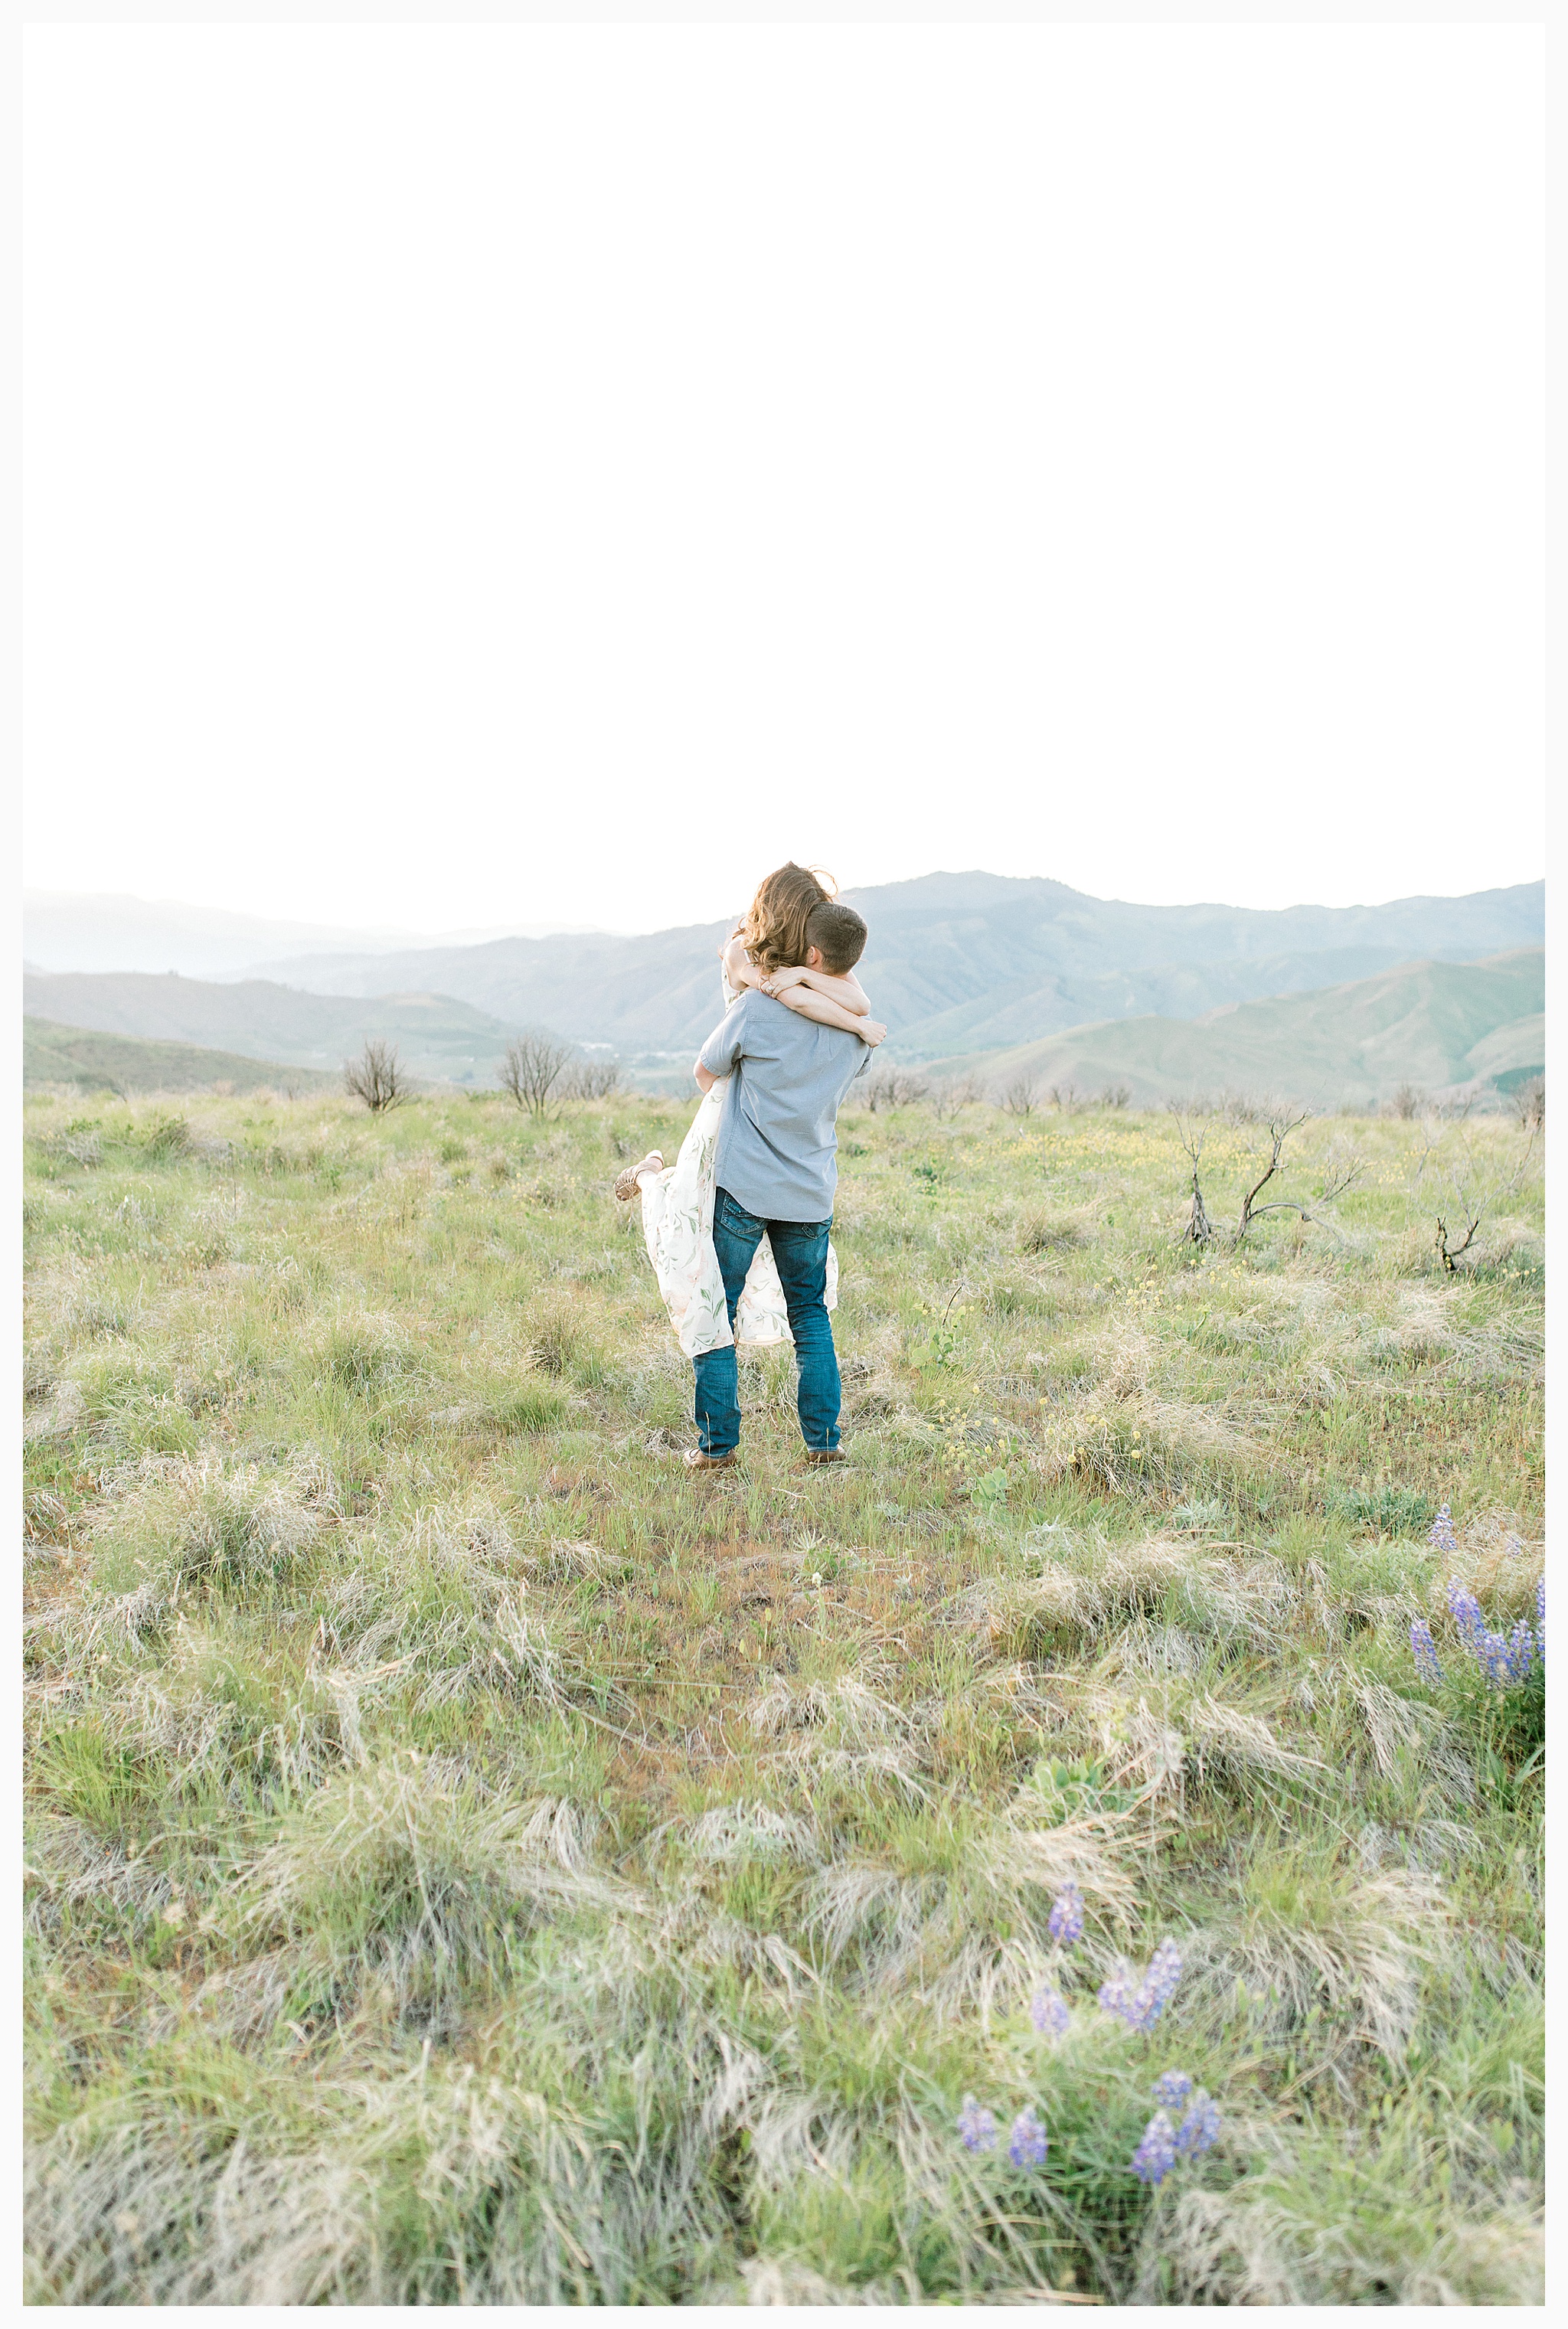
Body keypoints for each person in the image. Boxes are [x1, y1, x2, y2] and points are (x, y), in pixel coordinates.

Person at [613, 862, 882, 1469]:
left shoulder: (758, 1011)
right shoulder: (856, 1037)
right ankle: (824, 1443)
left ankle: (718, 1448)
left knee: (717, 1307)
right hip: (810, 1189)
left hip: (743, 1187)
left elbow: (705, 1071)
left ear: (806, 951)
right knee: (811, 1317)